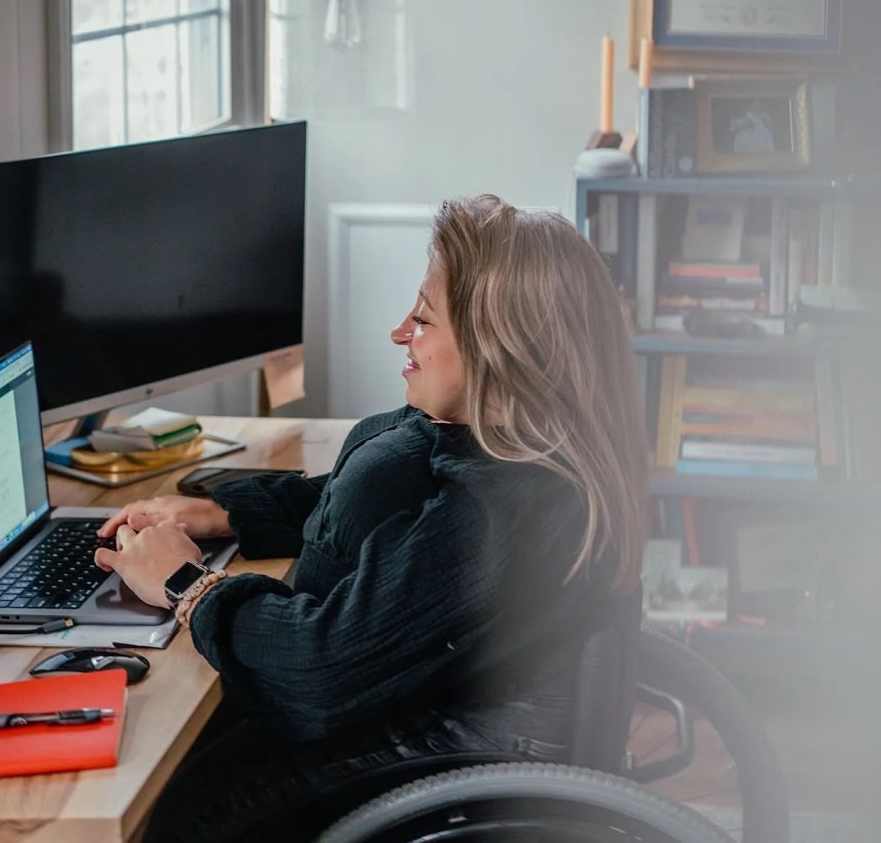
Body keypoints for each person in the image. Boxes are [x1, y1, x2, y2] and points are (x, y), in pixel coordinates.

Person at [96, 195, 649, 842]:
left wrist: (186, 585)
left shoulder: (497, 515)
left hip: (459, 781)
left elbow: (315, 671)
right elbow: (381, 503)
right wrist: (229, 512)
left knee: (177, 802)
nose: (399, 332)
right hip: (449, 720)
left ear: (499, 350)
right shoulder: (521, 451)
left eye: (425, 318)